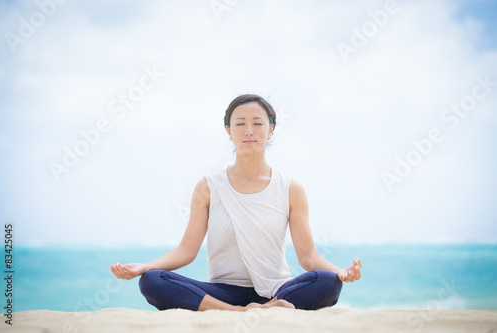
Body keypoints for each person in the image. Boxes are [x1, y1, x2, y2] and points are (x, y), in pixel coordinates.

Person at [110, 94, 362, 311]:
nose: (249, 130)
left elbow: (308, 256)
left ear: (271, 129)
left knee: (328, 282)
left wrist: (340, 271)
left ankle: (264, 307)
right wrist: (146, 266)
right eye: (240, 124)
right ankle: (239, 312)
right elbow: (187, 250)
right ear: (229, 132)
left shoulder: (290, 188)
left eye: (258, 123)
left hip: (277, 290)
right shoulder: (209, 187)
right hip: (223, 291)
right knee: (152, 281)